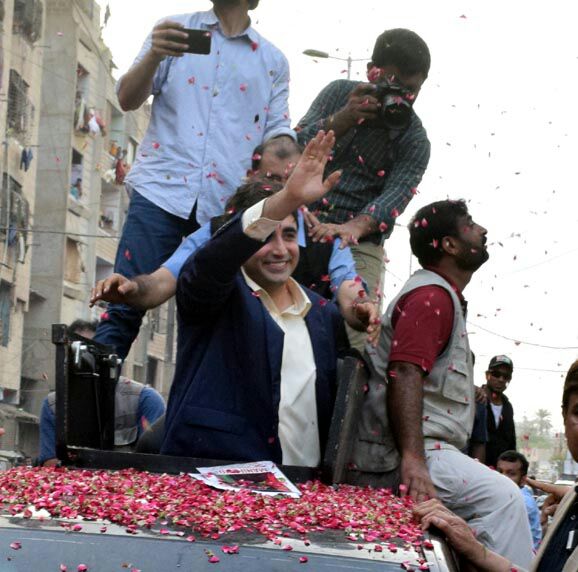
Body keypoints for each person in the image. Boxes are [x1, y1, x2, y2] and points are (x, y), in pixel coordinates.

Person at [95, 0, 295, 359]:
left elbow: (276, 133)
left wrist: (294, 155)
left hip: (224, 205)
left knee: (215, 315)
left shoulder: (272, 61)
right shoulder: (173, 31)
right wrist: (154, 55)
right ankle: (85, 409)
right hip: (161, 192)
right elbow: (126, 98)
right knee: (123, 303)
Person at [161, 131, 376, 465]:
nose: (279, 250)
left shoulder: (322, 315)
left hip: (302, 494)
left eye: (289, 235)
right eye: (266, 237)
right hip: (214, 485)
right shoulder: (210, 291)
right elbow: (214, 259)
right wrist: (288, 198)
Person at [350, 199, 533, 568]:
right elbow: (404, 372)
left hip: (429, 450)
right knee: (505, 498)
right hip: (409, 454)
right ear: (449, 245)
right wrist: (414, 460)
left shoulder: (441, 295)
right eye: (470, 224)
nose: (482, 231)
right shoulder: (430, 296)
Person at [90, 138, 380, 354]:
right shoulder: (217, 233)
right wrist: (132, 289)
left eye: (289, 182)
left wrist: (361, 307)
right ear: (251, 177)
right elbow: (162, 281)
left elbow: (347, 289)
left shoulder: (326, 240)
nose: (282, 193)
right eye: (270, 180)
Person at [296, 28, 431, 350]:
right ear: (374, 70)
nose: (403, 97)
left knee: (361, 332)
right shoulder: (338, 93)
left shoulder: (414, 138)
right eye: (394, 85)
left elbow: (394, 197)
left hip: (359, 240)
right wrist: (343, 118)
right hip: (299, 218)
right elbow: (294, 147)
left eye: (412, 90)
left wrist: (349, 228)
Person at [415, 360, 578, 571]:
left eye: (505, 376)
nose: (500, 380)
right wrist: (473, 548)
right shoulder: (570, 503)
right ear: (564, 416)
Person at [38, 320, 166, 466]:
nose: (81, 364)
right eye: (75, 355)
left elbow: (154, 463)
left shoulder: (144, 400)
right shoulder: (53, 406)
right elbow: (51, 464)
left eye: (87, 356)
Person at [497, 450, 542, 550]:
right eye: (500, 472)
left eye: (511, 473)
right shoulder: (505, 496)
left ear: (522, 480)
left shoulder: (522, 501)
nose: (502, 477)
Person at [484, 354, 517, 468]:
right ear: (487, 375)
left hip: (500, 474)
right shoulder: (476, 399)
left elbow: (511, 443)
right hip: (474, 470)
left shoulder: (508, 407)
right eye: (496, 374)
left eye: (506, 377)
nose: (501, 379)